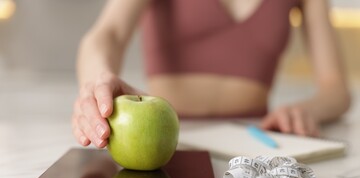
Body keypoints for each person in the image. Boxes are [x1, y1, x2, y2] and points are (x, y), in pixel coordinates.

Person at [72, 0, 351, 148]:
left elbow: (336, 89)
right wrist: (98, 81)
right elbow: (107, 35)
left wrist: (306, 111)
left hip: (256, 144)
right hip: (166, 145)